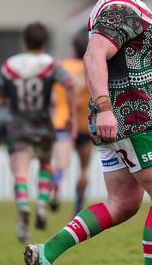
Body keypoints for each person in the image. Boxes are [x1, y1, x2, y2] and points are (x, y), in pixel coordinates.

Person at [24, 0, 152, 265]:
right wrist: (107, 108)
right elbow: (94, 55)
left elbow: (119, 57)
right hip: (132, 117)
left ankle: (45, 253)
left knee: (123, 202)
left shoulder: (119, 4)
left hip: (117, 118)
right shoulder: (120, 6)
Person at [0, 22, 77, 244]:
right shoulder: (50, 64)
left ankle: (23, 206)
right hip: (43, 125)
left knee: (20, 172)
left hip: (17, 126)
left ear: (24, 40)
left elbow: (0, 99)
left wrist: (9, 99)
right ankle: (42, 204)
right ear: (44, 41)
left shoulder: (9, 65)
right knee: (45, 165)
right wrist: (70, 113)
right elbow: (69, 83)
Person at [49, 32, 94, 215]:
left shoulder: (61, 67)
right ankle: (78, 206)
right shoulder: (91, 67)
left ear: (73, 48)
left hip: (62, 121)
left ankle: (55, 187)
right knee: (84, 169)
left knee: (61, 163)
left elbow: (52, 96)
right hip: (85, 124)